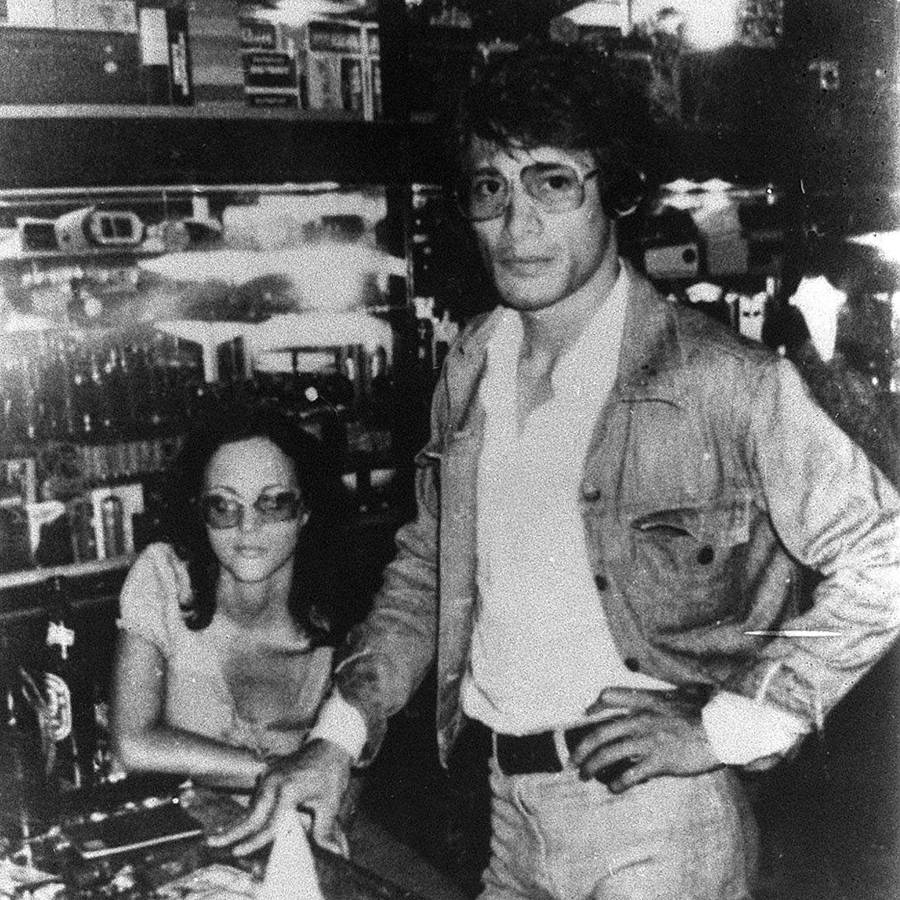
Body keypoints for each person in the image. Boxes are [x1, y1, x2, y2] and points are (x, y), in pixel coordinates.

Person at [209, 42, 900, 899]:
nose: (518, 224)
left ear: (617, 190)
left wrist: (736, 723)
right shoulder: (473, 366)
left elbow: (885, 558)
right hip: (508, 816)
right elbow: (430, 574)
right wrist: (337, 738)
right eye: (490, 188)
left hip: (658, 825)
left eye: (553, 182)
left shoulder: (723, 382)